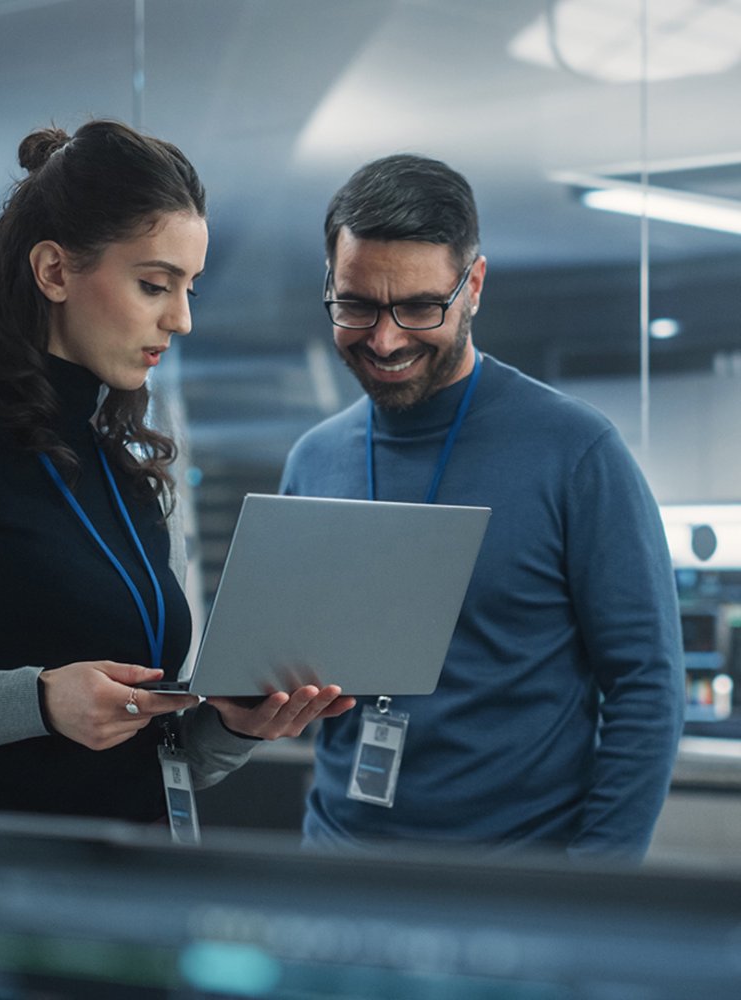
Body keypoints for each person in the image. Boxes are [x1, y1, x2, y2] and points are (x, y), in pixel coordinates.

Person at [0, 118, 353, 821]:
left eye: (190, 290)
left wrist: (235, 727)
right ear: (54, 271)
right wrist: (39, 701)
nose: (181, 320)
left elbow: (161, 759)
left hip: (141, 878)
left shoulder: (138, 473)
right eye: (154, 285)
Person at [280, 152, 685, 861]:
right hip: (339, 866)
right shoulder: (313, 460)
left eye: (419, 307)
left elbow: (647, 685)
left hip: (517, 880)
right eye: (357, 305)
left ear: (473, 286)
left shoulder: (576, 452)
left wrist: (592, 882)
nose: (384, 340)